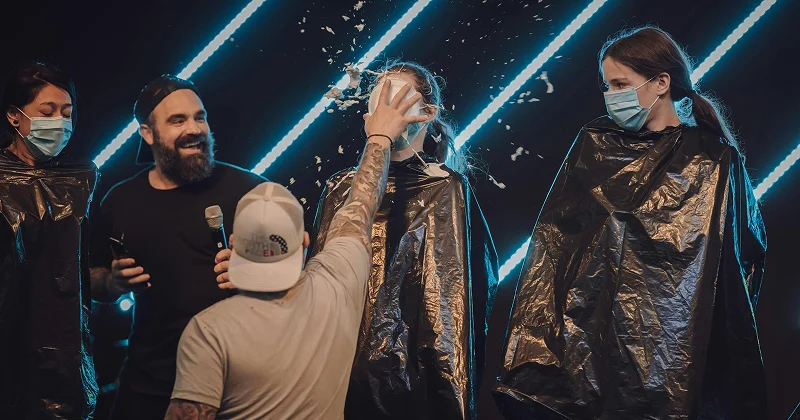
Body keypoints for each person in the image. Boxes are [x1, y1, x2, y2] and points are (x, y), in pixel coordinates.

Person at [493, 27, 767, 420]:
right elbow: (553, 253)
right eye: (607, 85)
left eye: (620, 84)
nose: (611, 95)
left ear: (661, 83)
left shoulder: (714, 161)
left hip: (671, 357)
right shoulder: (595, 144)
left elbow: (738, 269)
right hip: (585, 349)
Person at [164, 79, 426, 419]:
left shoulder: (208, 332)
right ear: (304, 241)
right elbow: (360, 205)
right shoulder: (337, 283)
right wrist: (379, 137)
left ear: (233, 244)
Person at [310, 61, 499, 420]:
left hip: (421, 389)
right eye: (379, 97)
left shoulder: (447, 188)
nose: (387, 108)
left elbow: (453, 311)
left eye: (397, 96)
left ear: (428, 113)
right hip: (340, 380)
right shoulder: (340, 188)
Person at [89, 75, 267, 420]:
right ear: (147, 133)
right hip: (150, 385)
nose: (194, 129)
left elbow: (298, 278)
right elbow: (91, 279)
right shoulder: (120, 201)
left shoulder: (251, 191)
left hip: (239, 388)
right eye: (177, 120)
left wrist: (259, 273)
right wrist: (112, 282)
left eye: (200, 117)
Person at [0, 61, 98, 419]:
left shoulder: (82, 180)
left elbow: (86, 270)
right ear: (15, 116)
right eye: (47, 111)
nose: (59, 122)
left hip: (63, 356)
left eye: (66, 113)